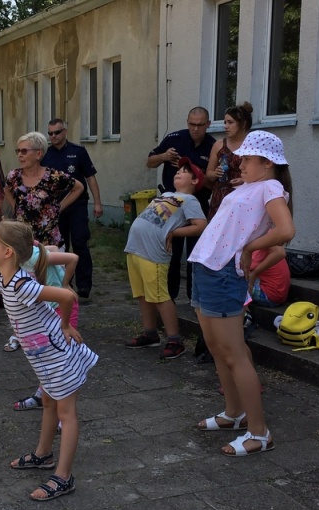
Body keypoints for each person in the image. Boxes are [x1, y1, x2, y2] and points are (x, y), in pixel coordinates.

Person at [188, 130, 294, 457]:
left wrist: (248, 247)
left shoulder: (271, 187)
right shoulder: (251, 186)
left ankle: (259, 432)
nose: (240, 163)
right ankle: (234, 413)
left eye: (247, 159)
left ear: (267, 163)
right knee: (220, 350)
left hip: (222, 273)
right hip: (205, 266)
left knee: (233, 352)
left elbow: (286, 231)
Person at [0, 220, 98, 501]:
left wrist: (66, 326)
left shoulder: (22, 284)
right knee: (48, 402)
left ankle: (63, 477)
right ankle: (43, 454)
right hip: (42, 358)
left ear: (8, 252)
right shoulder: (4, 281)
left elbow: (65, 295)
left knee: (66, 414)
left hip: (57, 355)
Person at [124, 157, 208, 359]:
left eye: (185, 171)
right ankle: (150, 333)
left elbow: (201, 225)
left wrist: (175, 233)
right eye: (178, 170)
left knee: (160, 296)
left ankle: (175, 340)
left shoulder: (190, 200)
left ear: (195, 181)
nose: (179, 172)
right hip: (136, 249)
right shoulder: (168, 194)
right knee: (142, 294)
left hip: (154, 254)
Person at [1, 233, 80, 411]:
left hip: (63, 306)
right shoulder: (17, 262)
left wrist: (66, 284)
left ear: (10, 250)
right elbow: (51, 249)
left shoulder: (33, 257)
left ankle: (65, 412)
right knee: (46, 356)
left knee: (62, 357)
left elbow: (73, 258)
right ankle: (42, 397)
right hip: (48, 308)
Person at [147, 107, 215, 300]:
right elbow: (149, 161)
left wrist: (198, 172)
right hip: (172, 205)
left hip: (198, 203)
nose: (195, 129)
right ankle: (169, 298)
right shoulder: (174, 138)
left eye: (200, 125)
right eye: (192, 124)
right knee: (171, 253)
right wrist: (164, 157)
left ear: (208, 124)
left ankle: (195, 298)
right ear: (187, 122)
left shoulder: (213, 146)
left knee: (196, 254)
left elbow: (214, 182)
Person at [41, 119, 100, 299]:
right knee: (59, 246)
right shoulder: (45, 155)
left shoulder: (78, 152)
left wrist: (97, 202)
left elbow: (90, 178)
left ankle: (84, 285)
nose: (53, 137)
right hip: (54, 208)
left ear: (65, 132)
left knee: (80, 242)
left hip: (77, 206)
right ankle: (64, 282)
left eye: (57, 133)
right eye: (50, 133)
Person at [5, 132, 84, 247]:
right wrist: (16, 207)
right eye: (18, 151)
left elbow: (78, 188)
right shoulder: (13, 176)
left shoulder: (53, 177)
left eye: (24, 151)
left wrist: (58, 208)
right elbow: (6, 190)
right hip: (25, 243)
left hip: (50, 242)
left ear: (38, 154)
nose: (20, 155)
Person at [206, 102, 254, 218]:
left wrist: (244, 180)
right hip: (220, 198)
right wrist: (215, 173)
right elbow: (208, 174)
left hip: (243, 197)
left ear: (243, 124)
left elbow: (262, 174)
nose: (226, 126)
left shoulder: (252, 145)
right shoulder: (218, 145)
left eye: (230, 122)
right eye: (225, 122)